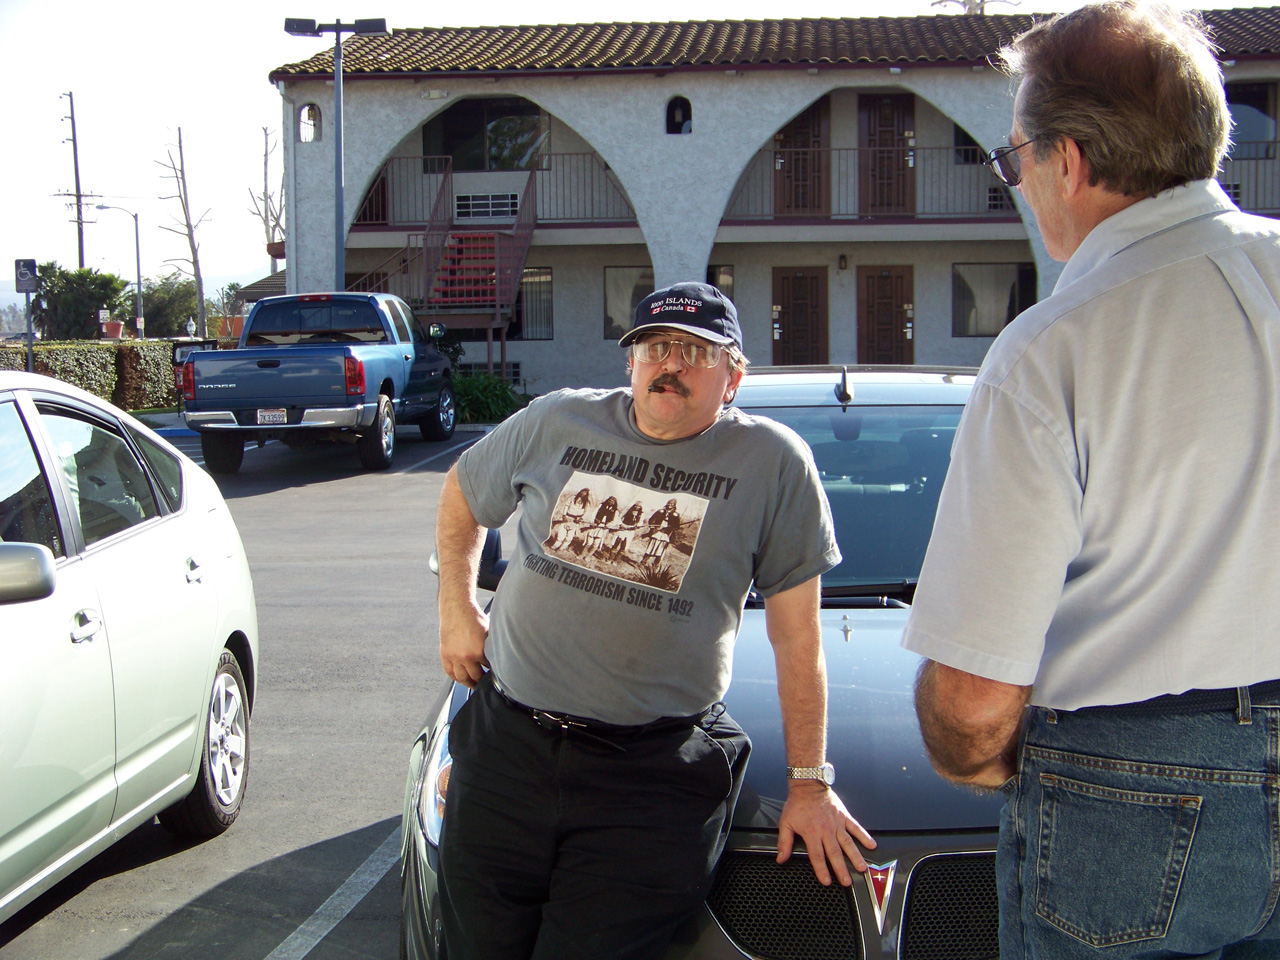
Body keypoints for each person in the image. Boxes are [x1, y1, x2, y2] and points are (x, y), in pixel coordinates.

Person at [901, 3, 1280, 958]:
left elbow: (974, 699)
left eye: (1014, 157)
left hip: (1130, 790)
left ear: (1067, 161)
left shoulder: (1052, 350)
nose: (1017, 182)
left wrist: (984, 760)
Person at [435, 280, 875, 960]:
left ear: (732, 378)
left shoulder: (773, 465)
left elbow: (798, 639)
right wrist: (458, 608)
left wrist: (810, 782)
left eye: (696, 351)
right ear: (630, 363)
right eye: (655, 346)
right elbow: (463, 490)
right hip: (507, 751)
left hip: (648, 778)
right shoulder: (557, 421)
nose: (671, 364)